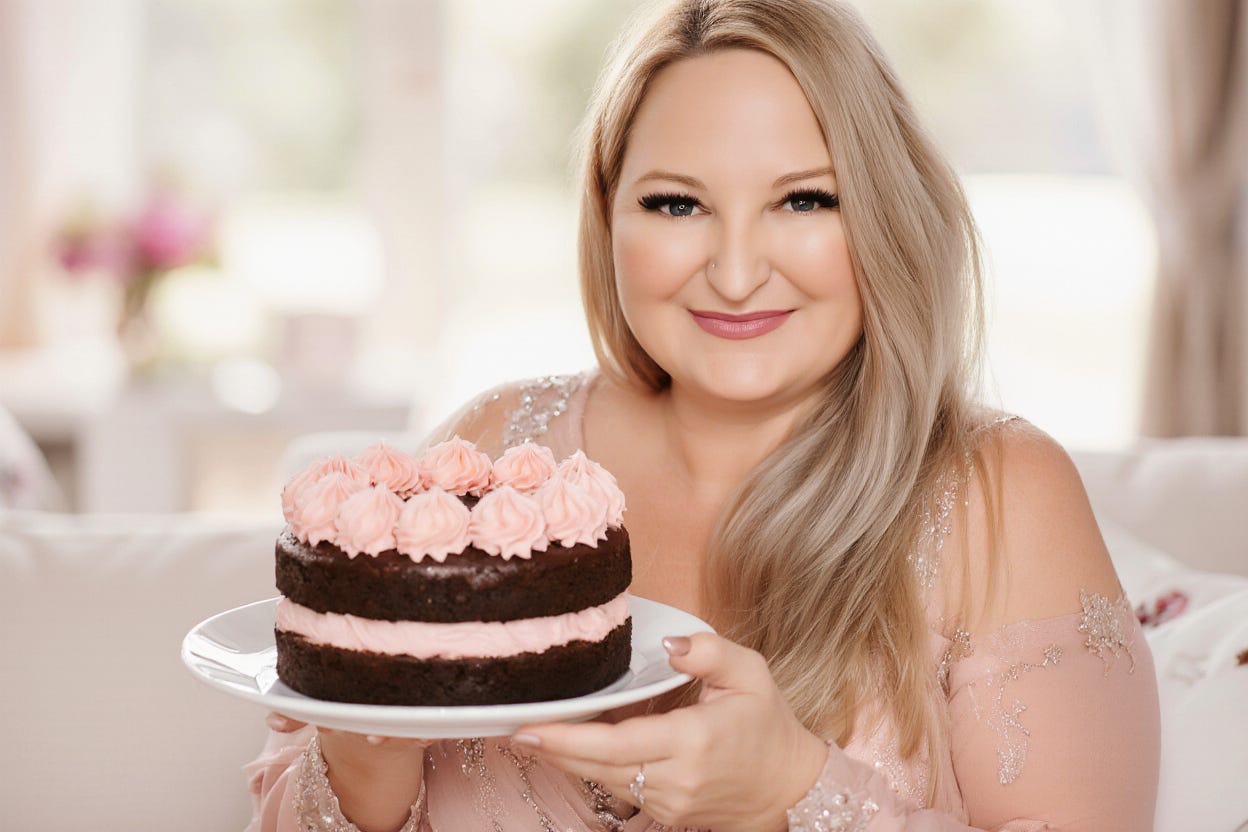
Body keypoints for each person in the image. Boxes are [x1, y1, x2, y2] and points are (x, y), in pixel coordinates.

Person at [246, 1, 1160, 829]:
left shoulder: (1000, 497)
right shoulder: (489, 457)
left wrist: (796, 798)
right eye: (676, 203)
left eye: (805, 199)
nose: (732, 273)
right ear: (608, 216)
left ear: (886, 213)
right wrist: (368, 758)